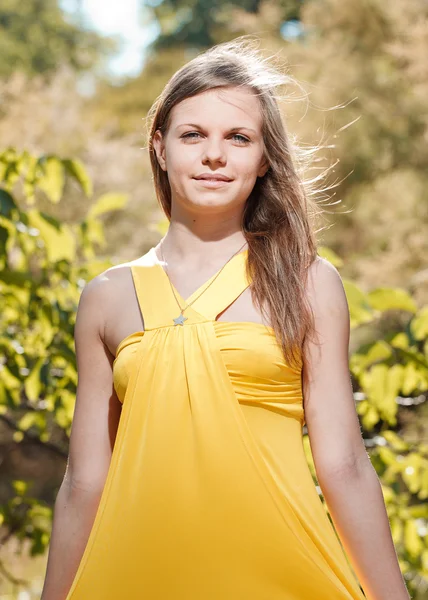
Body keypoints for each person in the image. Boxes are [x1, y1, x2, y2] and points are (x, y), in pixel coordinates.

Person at [41, 38, 410, 600]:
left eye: (238, 138)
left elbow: (344, 466)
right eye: (193, 135)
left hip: (281, 579)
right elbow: (83, 483)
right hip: (133, 580)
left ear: (263, 159)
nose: (214, 155)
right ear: (160, 148)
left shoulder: (308, 282)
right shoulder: (108, 297)